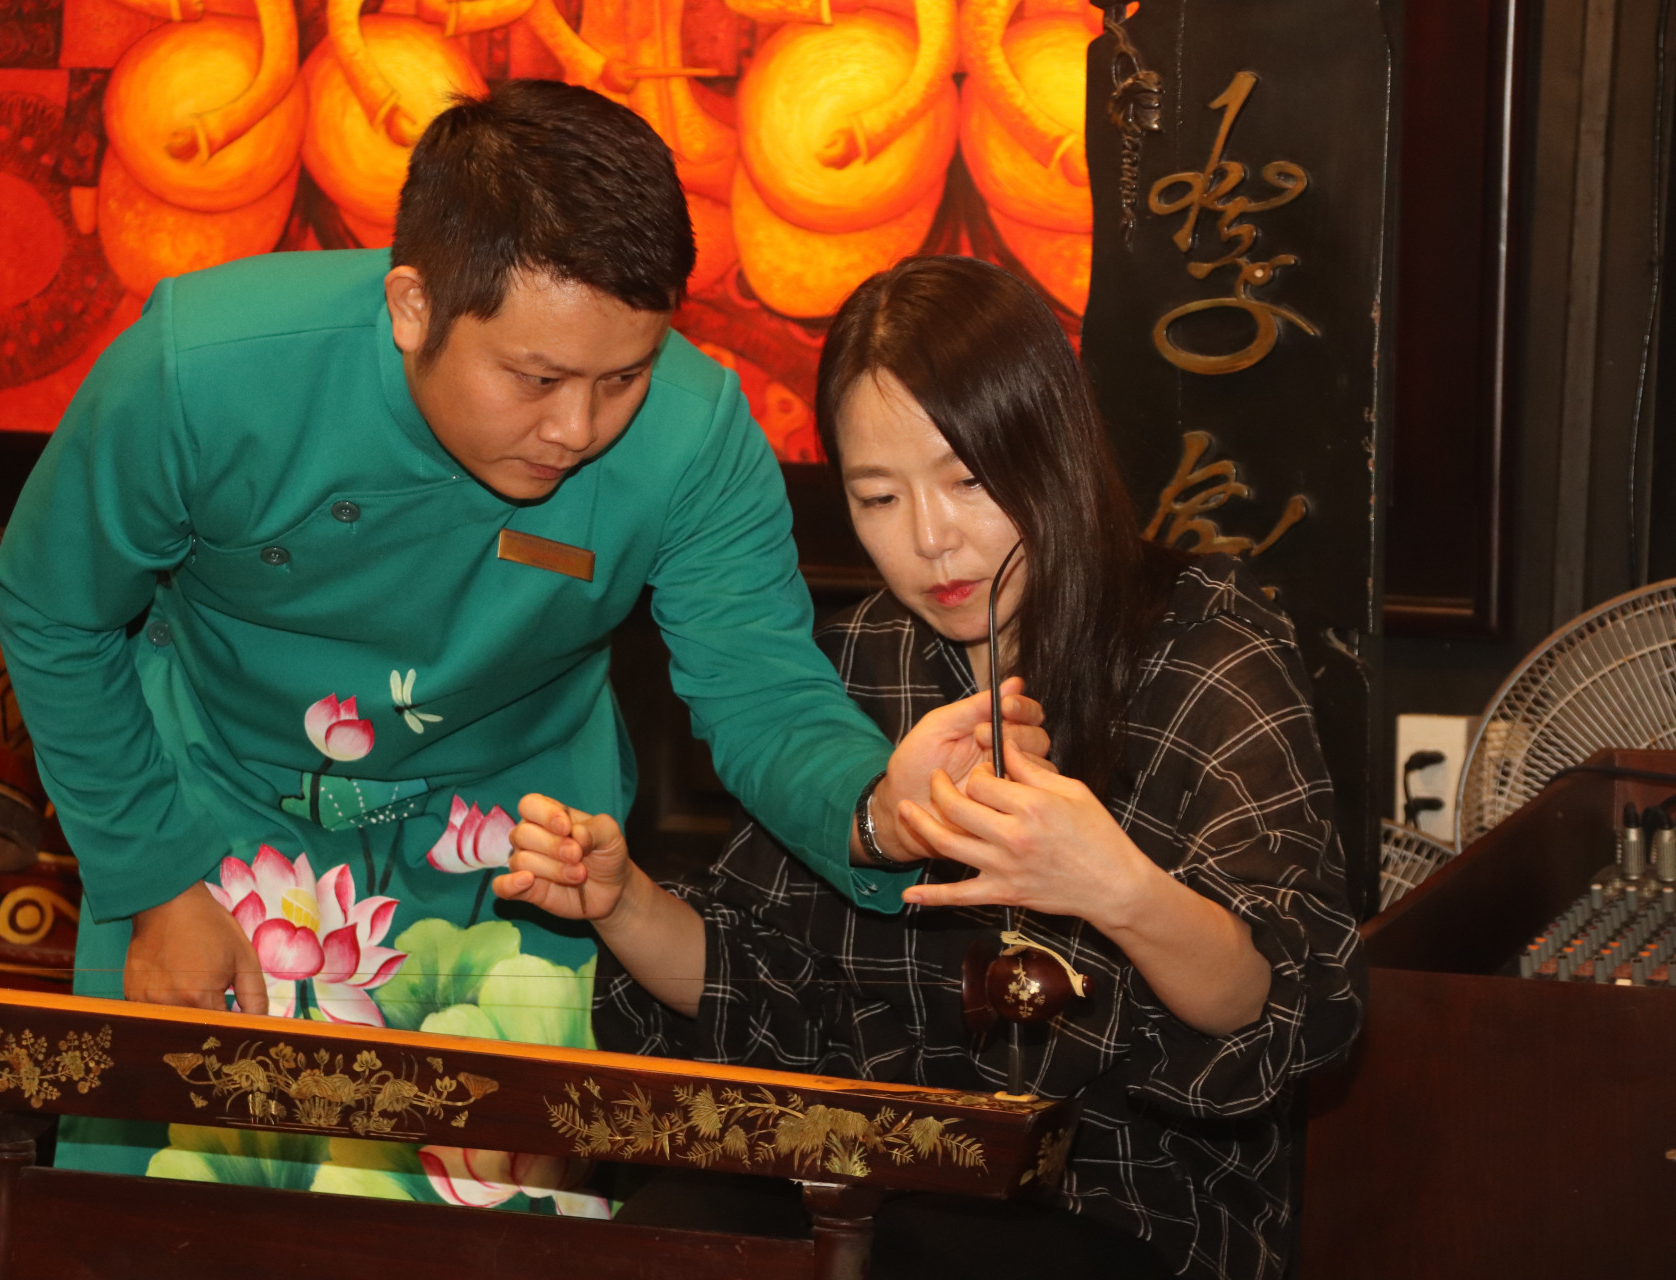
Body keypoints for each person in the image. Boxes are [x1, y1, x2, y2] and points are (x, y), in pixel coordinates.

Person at [0, 87, 1038, 1208]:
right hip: (209, 809)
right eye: (535, 379)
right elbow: (55, 609)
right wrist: (155, 881)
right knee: (169, 1207)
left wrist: (881, 805)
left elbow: (763, 691)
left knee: (496, 1222)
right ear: (411, 306)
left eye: (622, 375)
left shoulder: (695, 432)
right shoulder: (202, 369)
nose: (577, 429)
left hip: (519, 845)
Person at [501, 255, 1366, 1276]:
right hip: (877, 1173)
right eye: (878, 496)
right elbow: (772, 984)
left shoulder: (1207, 650)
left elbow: (1272, 1006)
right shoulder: (859, 661)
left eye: (967, 480)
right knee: (661, 1236)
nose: (931, 540)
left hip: (1130, 1199)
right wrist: (622, 900)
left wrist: (1121, 889)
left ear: (1054, 449)